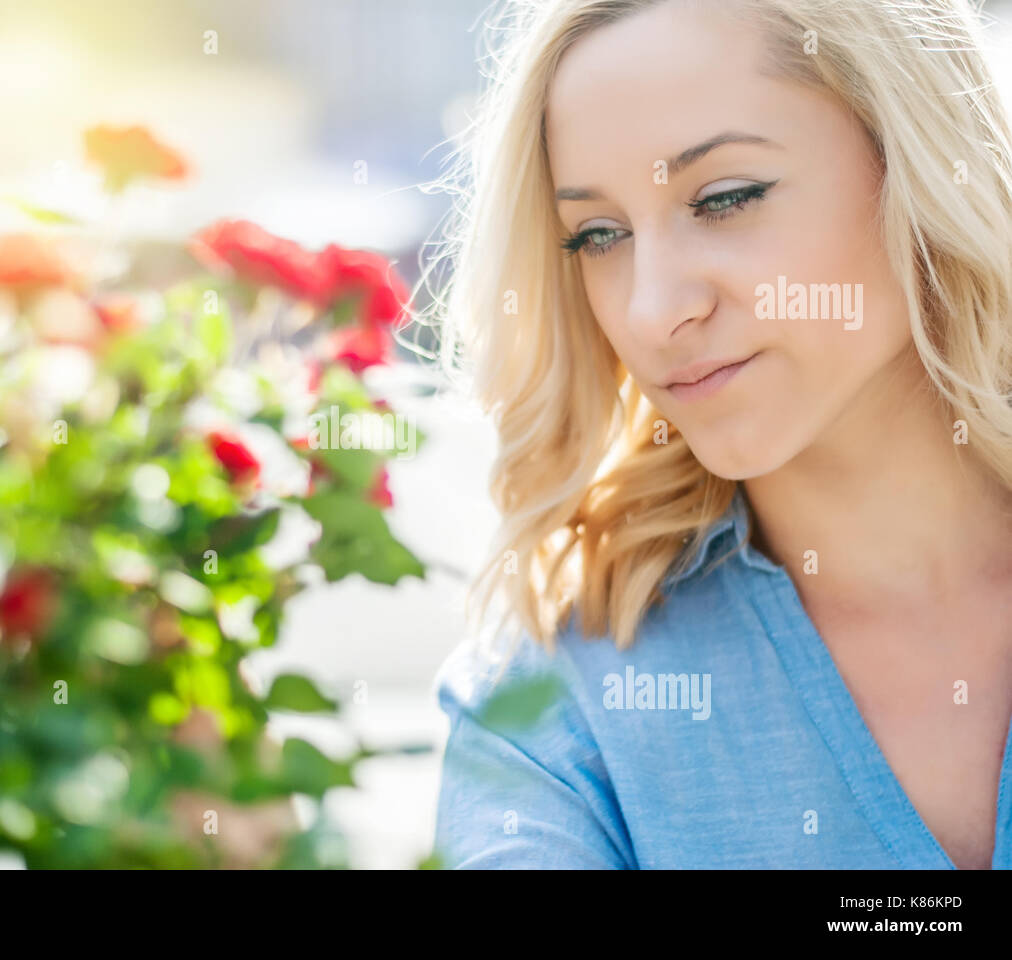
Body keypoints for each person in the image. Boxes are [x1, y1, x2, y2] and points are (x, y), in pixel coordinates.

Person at [425, 0, 1012, 868]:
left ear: (915, 155)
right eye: (599, 236)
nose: (653, 311)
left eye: (725, 198)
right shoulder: (556, 711)